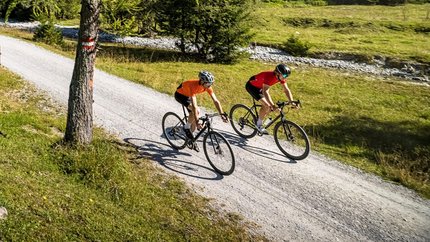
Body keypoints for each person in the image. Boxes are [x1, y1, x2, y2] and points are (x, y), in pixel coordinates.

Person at [175, 70, 229, 150]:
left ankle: (190, 140)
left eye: (211, 83)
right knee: (196, 111)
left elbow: (216, 101)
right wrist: (197, 122)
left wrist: (222, 114)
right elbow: (194, 106)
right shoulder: (193, 86)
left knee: (193, 127)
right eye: (208, 83)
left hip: (188, 95)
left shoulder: (207, 87)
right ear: (202, 81)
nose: (209, 85)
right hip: (180, 95)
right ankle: (186, 127)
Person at [245, 63, 296, 134]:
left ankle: (259, 120)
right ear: (278, 73)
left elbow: (286, 90)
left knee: (269, 108)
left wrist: (291, 101)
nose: (285, 77)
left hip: (261, 87)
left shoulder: (280, 78)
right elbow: (265, 92)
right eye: (284, 75)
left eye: (287, 76)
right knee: (267, 105)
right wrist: (273, 105)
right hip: (252, 87)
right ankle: (258, 124)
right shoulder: (270, 77)